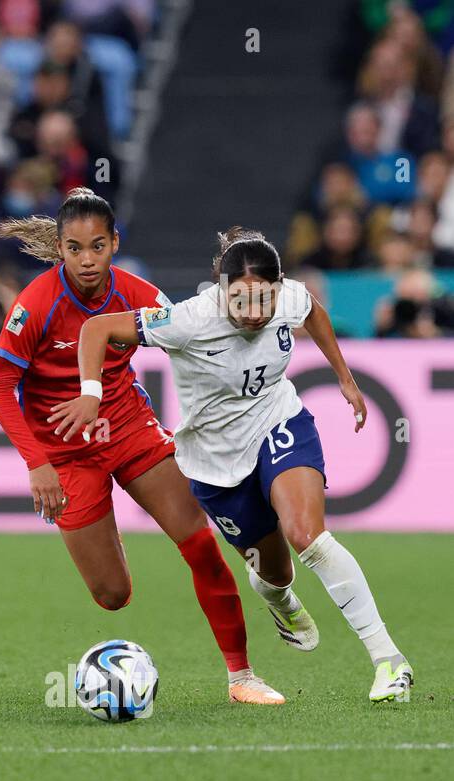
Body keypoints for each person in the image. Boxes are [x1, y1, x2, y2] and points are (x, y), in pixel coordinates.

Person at [55, 229, 414, 703]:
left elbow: (312, 311)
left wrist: (344, 378)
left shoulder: (287, 297)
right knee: (274, 574)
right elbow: (96, 329)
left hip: (278, 422)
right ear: (221, 291)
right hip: (215, 463)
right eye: (239, 300)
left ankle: (388, 660)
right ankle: (281, 602)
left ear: (277, 287)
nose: (252, 312)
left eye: (263, 300)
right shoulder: (187, 319)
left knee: (308, 536)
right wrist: (91, 393)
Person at [0, 188, 285, 704]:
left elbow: (194, 342)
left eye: (97, 246)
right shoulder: (35, 304)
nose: (86, 260)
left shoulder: (138, 293)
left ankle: (242, 677)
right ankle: (104, 524)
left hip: (128, 429)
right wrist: (38, 464)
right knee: (112, 595)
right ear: (60, 249)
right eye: (74, 248)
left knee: (200, 544)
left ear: (114, 243)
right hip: (66, 455)